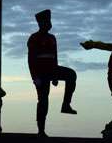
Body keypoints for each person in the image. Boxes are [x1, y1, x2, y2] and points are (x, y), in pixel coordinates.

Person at [27, 9, 77, 137]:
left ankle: (66, 105)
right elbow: (31, 60)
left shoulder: (52, 38)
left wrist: (55, 77)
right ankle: (41, 130)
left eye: (50, 21)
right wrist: (35, 77)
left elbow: (55, 56)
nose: (49, 24)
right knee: (43, 100)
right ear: (40, 23)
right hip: (40, 72)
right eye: (46, 21)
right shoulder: (34, 38)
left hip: (52, 69)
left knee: (71, 74)